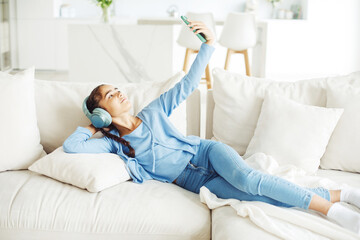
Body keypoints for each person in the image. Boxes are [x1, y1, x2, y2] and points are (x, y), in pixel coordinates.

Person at [63, 20, 360, 235]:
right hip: (193, 181)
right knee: (256, 197)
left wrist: (208, 46)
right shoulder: (114, 143)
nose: (120, 93)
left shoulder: (153, 111)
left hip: (206, 153)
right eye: (110, 95)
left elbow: (188, 85)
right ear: (102, 111)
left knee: (250, 181)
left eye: (117, 88)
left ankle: (331, 211)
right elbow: (72, 147)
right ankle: (338, 194)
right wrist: (94, 124)